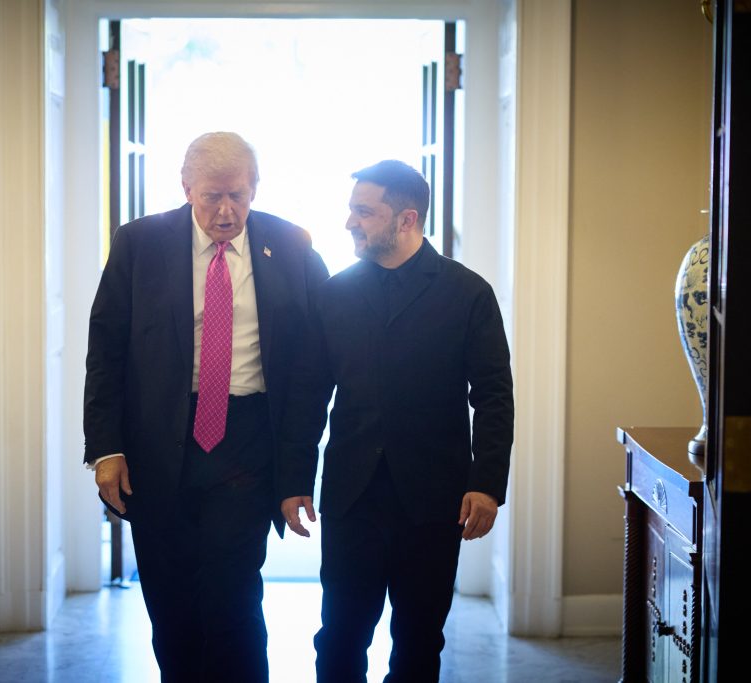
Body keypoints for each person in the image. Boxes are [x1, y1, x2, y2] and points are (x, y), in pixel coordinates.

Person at [84, 132, 329, 682]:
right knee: (170, 601)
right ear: (186, 187)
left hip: (246, 440)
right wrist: (105, 448)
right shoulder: (139, 244)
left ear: (255, 188)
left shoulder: (291, 246)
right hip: (158, 441)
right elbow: (106, 352)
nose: (226, 211)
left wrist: (296, 473)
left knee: (232, 594)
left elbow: (321, 353)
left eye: (238, 196)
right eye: (212, 197)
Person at [280, 159, 515, 682]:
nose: (350, 223)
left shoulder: (468, 293)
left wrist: (487, 485)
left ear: (406, 219)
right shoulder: (333, 293)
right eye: (351, 210)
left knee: (419, 641)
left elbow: (495, 396)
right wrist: (294, 479)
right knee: (339, 636)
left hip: (435, 500)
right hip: (351, 497)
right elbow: (307, 396)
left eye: (364, 212)